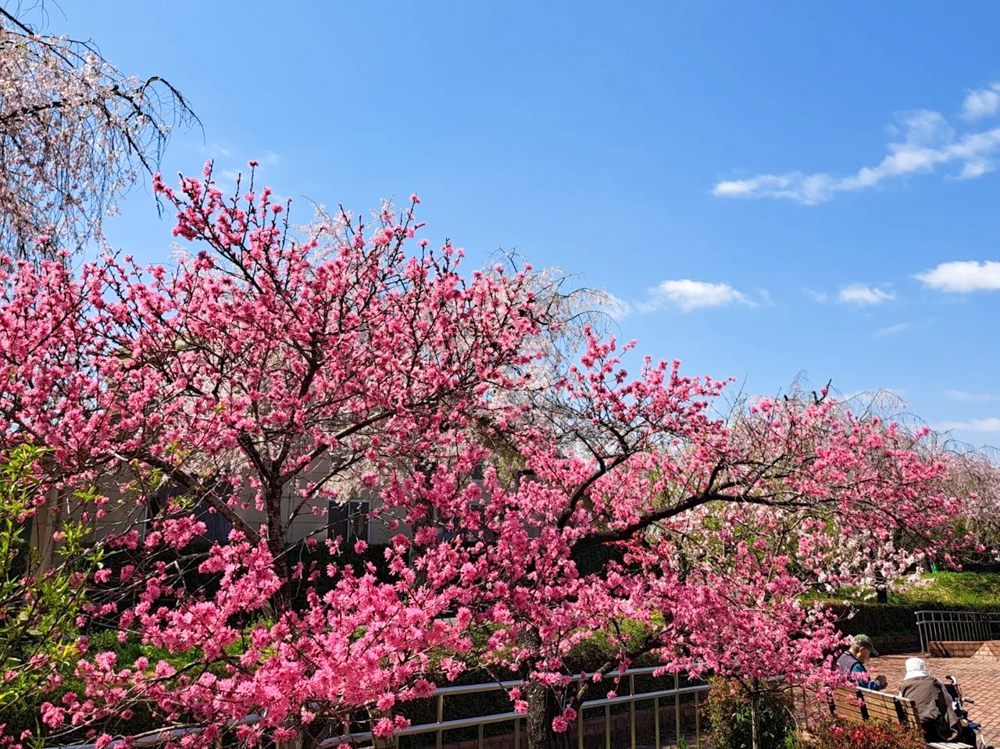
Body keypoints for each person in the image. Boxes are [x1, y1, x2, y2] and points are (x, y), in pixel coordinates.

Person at [899, 657, 978, 746]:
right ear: (923, 667)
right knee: (969, 733)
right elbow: (949, 702)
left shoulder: (903, 687)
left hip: (914, 729)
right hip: (935, 731)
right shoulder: (934, 683)